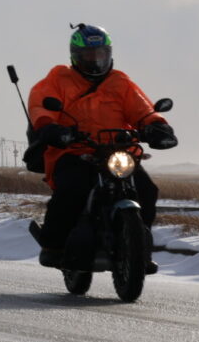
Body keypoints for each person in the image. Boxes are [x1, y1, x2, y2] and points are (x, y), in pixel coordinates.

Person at [28, 24, 177, 272]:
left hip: (117, 152)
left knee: (147, 189)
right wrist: (50, 128)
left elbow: (142, 108)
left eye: (101, 54)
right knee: (72, 189)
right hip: (75, 151)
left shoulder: (120, 81)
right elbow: (40, 106)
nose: (96, 61)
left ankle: (139, 247)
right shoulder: (58, 79)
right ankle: (53, 246)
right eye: (89, 55)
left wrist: (157, 126)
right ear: (75, 55)